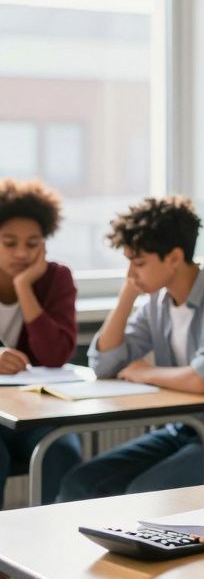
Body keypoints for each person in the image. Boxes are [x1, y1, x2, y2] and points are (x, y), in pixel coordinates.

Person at [58, 196, 204, 500]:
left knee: (146, 494)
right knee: (80, 482)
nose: (130, 274)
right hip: (184, 431)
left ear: (174, 257)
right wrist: (127, 295)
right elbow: (104, 365)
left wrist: (146, 373)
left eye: (139, 264)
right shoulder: (157, 302)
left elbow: (203, 379)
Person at [0, 179, 81, 505]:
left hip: (38, 415)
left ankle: (53, 536)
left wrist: (24, 287)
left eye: (32, 244)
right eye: (10, 243)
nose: (22, 253)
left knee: (62, 452)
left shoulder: (57, 278)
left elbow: (54, 355)